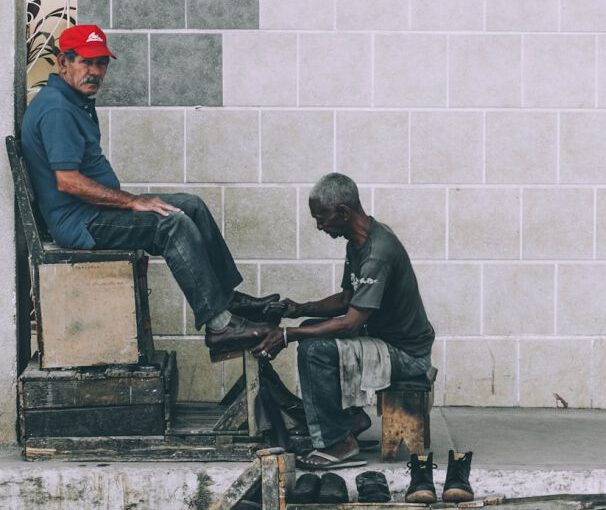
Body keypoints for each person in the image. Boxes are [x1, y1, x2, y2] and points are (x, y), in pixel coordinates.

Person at [20, 24, 277, 360]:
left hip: (93, 212)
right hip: (80, 222)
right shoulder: (57, 109)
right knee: (171, 223)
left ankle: (227, 301)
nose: (95, 72)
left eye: (101, 64)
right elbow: (68, 182)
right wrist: (133, 201)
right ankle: (219, 326)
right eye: (86, 62)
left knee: (191, 205)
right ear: (62, 62)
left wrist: (132, 202)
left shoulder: (72, 99)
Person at [252, 173, 435, 470]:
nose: (319, 225)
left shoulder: (377, 251)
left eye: (321, 217)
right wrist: (298, 309)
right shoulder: (358, 242)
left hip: (408, 355)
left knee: (314, 350)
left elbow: (350, 323)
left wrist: (288, 335)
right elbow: (347, 299)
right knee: (312, 329)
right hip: (383, 340)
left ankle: (339, 443)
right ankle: (351, 420)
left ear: (343, 213)